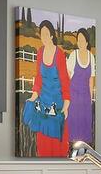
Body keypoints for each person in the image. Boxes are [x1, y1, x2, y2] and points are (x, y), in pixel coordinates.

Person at [23, 20, 70, 156]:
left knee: (58, 146)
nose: (43, 37)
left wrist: (66, 106)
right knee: (43, 144)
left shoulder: (59, 54)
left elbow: (65, 81)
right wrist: (33, 97)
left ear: (51, 36)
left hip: (58, 105)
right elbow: (38, 78)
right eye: (41, 34)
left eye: (46, 34)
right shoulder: (40, 52)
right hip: (43, 104)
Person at [64, 28, 95, 146]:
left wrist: (90, 99)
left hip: (85, 97)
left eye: (83, 40)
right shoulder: (73, 55)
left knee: (84, 124)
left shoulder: (91, 57)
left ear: (87, 42)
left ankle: (82, 152)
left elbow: (91, 79)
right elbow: (67, 76)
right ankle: (71, 150)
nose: (80, 42)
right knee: (73, 125)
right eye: (79, 40)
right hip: (73, 96)